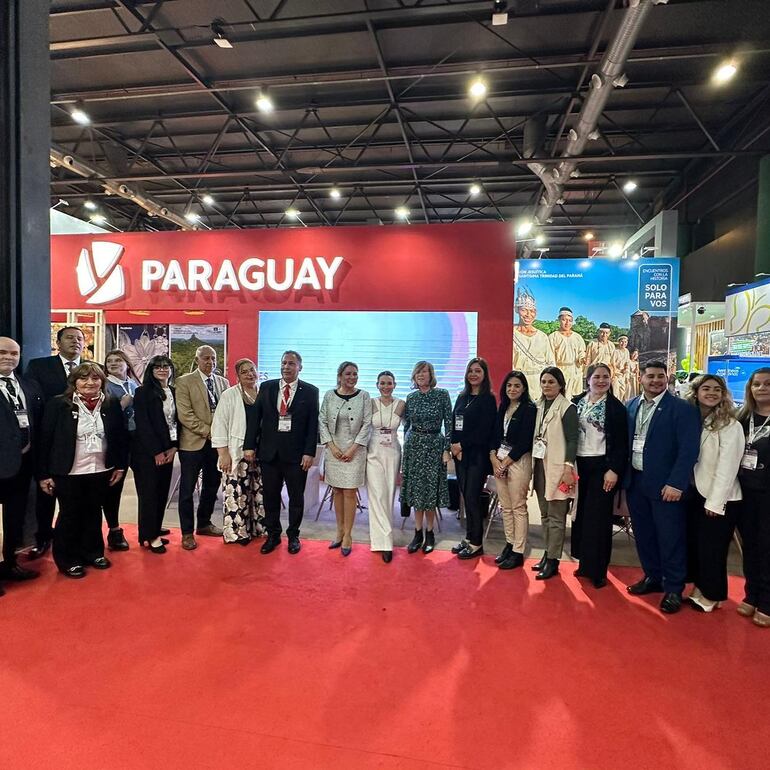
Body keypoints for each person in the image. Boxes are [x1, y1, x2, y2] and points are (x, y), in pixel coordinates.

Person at [37, 363, 129, 578]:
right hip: (68, 470)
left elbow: (120, 437)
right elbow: (44, 441)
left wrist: (120, 465)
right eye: (84, 378)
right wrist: (43, 474)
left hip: (100, 468)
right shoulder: (58, 404)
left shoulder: (110, 403)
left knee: (93, 512)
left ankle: (93, 552)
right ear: (74, 382)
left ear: (102, 382)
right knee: (70, 514)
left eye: (95, 379)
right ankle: (67, 558)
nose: (90, 383)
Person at [624, 361, 701, 614]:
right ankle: (653, 577)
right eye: (651, 376)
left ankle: (674, 588)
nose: (656, 380)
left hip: (666, 486)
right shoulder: (632, 405)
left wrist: (676, 483)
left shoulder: (681, 409)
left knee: (671, 538)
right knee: (644, 535)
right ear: (641, 378)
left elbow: (688, 450)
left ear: (667, 379)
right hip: (637, 482)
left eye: (660, 376)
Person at [243, 351, 319, 555]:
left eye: (291, 363)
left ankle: (293, 535)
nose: (286, 367)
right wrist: (249, 445)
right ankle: (273, 535)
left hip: (296, 457)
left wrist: (309, 452)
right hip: (269, 454)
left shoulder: (310, 391)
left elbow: (313, 426)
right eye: (283, 363)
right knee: (270, 497)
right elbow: (255, 418)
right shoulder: (267, 387)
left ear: (299, 367)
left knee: (296, 498)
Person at [24, 325, 85, 559]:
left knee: (78, 497)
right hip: (50, 440)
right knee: (46, 495)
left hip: (84, 443)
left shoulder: (92, 369)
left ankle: (75, 538)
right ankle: (42, 538)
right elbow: (33, 400)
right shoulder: (40, 366)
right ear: (58, 342)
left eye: (79, 338)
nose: (75, 342)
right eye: (69, 338)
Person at [684, 374, 743, 612]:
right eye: (706, 388)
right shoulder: (693, 421)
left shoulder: (731, 425)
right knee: (697, 545)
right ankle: (700, 586)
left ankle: (714, 594)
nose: (711, 393)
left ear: (723, 395)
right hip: (695, 493)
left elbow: (728, 467)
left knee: (713, 549)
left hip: (721, 498)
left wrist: (715, 503)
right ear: (696, 393)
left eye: (716, 390)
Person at [571, 364, 628, 588]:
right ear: (588, 379)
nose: (601, 381)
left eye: (606, 377)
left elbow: (622, 444)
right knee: (581, 515)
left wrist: (614, 470)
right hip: (579, 465)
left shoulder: (615, 408)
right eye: (597, 376)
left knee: (600, 519)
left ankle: (598, 570)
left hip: (603, 467)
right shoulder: (577, 402)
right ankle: (584, 564)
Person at [0, 337, 44, 594]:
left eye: (14, 353)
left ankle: (10, 563)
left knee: (15, 517)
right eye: (2, 352)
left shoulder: (29, 385)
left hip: (24, 464)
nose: (8, 357)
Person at [174, 345, 228, 550]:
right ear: (197, 360)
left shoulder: (223, 382)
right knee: (187, 490)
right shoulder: (184, 381)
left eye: (213, 359)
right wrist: (209, 431)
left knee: (212, 486)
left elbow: (226, 412)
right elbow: (185, 415)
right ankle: (187, 532)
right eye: (206, 358)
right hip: (192, 444)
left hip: (216, 445)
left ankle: (204, 523)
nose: (210, 362)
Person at [530, 367, 579, 580]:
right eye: (544, 381)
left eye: (551, 381)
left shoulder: (568, 408)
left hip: (560, 468)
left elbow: (572, 439)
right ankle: (547, 553)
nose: (547, 385)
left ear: (560, 384)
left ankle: (553, 561)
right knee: (544, 514)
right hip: (540, 467)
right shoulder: (537, 406)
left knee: (557, 517)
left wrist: (569, 467)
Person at [319, 362, 372, 556]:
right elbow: (322, 421)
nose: (352, 377)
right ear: (340, 376)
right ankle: (339, 530)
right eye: (348, 374)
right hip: (334, 451)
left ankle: (349, 535)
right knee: (337, 491)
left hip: (355, 452)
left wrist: (353, 448)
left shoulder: (364, 396)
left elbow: (367, 424)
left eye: (355, 374)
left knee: (350, 492)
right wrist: (331, 447)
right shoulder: (329, 395)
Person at [401, 361, 453, 555]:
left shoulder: (442, 394)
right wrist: (405, 449)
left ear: (431, 375)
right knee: (416, 491)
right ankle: (417, 533)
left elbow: (449, 423)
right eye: (418, 372)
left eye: (425, 372)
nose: (421, 375)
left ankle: (430, 532)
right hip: (414, 445)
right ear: (414, 376)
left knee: (430, 490)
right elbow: (406, 426)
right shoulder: (411, 397)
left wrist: (446, 449)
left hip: (434, 445)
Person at [212, 359, 265, 545]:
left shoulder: (263, 393)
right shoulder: (229, 395)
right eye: (244, 372)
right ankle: (237, 533)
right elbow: (219, 425)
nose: (250, 374)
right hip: (236, 452)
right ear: (237, 376)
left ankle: (258, 528)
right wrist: (223, 453)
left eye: (252, 370)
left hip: (261, 453)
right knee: (237, 493)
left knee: (258, 493)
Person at [449, 358, 497, 560]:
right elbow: (454, 423)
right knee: (465, 497)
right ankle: (469, 538)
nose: (473, 374)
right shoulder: (462, 396)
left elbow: (484, 431)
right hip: (460, 455)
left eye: (478, 371)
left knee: (472, 497)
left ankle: (477, 543)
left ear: (484, 375)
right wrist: (453, 446)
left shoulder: (488, 399)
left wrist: (462, 445)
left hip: (477, 455)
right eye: (470, 371)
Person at [488, 370, 537, 570]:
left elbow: (525, 441)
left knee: (518, 507)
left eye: (517, 385)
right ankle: (509, 544)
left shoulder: (529, 409)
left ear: (524, 388)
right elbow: (495, 435)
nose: (512, 389)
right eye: (509, 386)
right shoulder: (504, 407)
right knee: (505, 507)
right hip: (499, 461)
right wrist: (493, 458)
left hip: (518, 461)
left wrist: (505, 462)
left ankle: (518, 550)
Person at [132, 355, 178, 554]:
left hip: (169, 449)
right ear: (150, 370)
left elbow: (177, 422)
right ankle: (150, 536)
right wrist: (156, 452)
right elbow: (143, 424)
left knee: (161, 492)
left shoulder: (174, 391)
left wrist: (174, 447)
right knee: (149, 494)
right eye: (157, 367)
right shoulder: (143, 392)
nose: (162, 370)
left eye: (166, 366)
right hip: (147, 452)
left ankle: (153, 528)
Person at [736, 367, 770, 628]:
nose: (762, 388)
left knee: (767, 546)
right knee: (750, 546)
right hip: (746, 491)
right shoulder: (742, 416)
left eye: (767, 384)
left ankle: (767, 601)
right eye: (757, 384)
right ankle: (751, 593)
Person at [101, 349, 140, 552]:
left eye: (118, 360)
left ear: (127, 364)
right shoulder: (104, 385)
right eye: (109, 361)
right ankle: (114, 530)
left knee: (145, 483)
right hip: (115, 442)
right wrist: (121, 405)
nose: (113, 363)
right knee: (114, 486)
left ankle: (149, 525)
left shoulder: (134, 384)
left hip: (138, 441)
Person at [366, 371, 405, 563]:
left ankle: (385, 539)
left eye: (389, 383)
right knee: (376, 496)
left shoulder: (401, 404)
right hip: (373, 453)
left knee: (388, 496)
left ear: (395, 385)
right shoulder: (371, 403)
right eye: (382, 383)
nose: (386, 386)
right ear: (377, 384)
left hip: (392, 452)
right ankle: (383, 543)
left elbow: (409, 428)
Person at [512, 286, 554, 401]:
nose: (528, 314)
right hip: (518, 384)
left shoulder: (542, 337)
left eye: (532, 311)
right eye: (524, 310)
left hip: (539, 385)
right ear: (517, 310)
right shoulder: (510, 333)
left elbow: (550, 364)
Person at [548, 307, 587, 399]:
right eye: (564, 320)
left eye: (569, 320)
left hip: (576, 371)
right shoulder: (553, 337)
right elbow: (550, 357)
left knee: (576, 398)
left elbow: (581, 352)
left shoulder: (578, 337)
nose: (567, 323)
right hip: (561, 371)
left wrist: (582, 359)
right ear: (559, 320)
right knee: (562, 398)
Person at [612, 335, 631, 401]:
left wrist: (626, 370)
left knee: (623, 390)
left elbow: (628, 362)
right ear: (619, 342)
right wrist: (614, 373)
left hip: (623, 374)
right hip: (616, 374)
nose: (623, 343)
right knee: (615, 391)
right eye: (622, 342)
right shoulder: (615, 351)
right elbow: (613, 363)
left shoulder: (627, 351)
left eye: (625, 342)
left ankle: (619, 404)